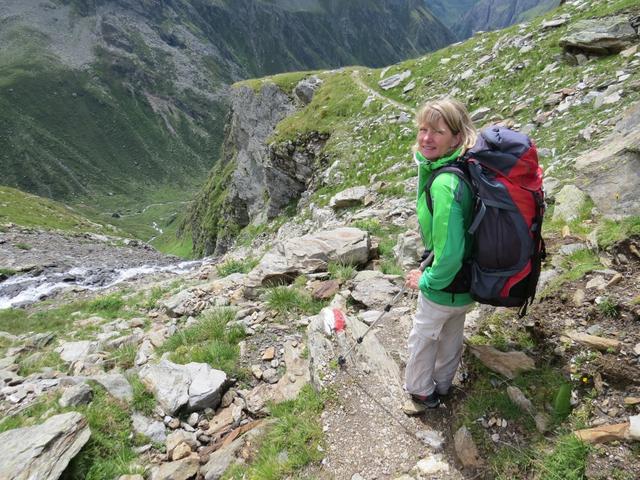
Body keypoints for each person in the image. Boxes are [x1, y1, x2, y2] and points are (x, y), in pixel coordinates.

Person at [403, 98, 477, 413]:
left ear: (456, 138)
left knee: (424, 336)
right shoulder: (463, 168)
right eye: (423, 129)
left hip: (445, 284)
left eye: (437, 131)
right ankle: (443, 384)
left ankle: (421, 390)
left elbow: (449, 253)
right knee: (451, 335)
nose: (426, 138)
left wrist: (427, 280)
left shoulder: (444, 183)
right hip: (467, 283)